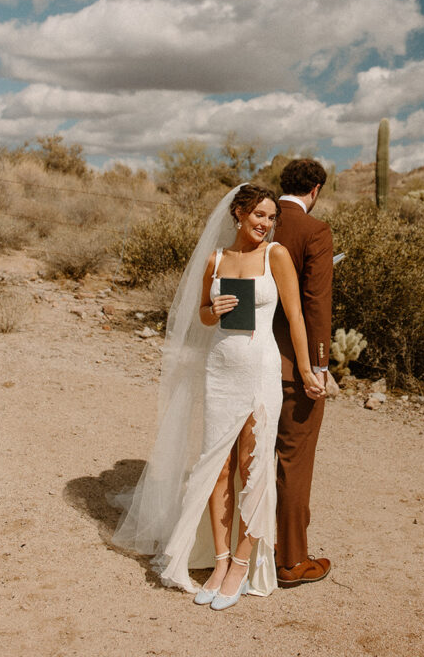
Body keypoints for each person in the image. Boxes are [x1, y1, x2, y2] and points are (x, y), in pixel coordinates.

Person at [111, 183, 323, 610]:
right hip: (220, 370)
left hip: (260, 370)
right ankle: (221, 560)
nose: (265, 224)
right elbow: (203, 317)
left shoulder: (275, 255)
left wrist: (305, 369)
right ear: (239, 215)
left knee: (254, 464)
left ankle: (244, 563)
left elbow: (295, 314)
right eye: (258, 216)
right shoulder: (216, 259)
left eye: (270, 217)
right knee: (217, 466)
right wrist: (215, 309)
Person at [273, 158, 334, 587]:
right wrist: (320, 366)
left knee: (251, 458)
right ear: (314, 189)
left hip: (247, 359)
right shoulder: (314, 231)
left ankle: (247, 548)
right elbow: (316, 303)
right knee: (294, 462)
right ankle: (292, 560)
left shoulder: (254, 221)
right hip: (293, 367)